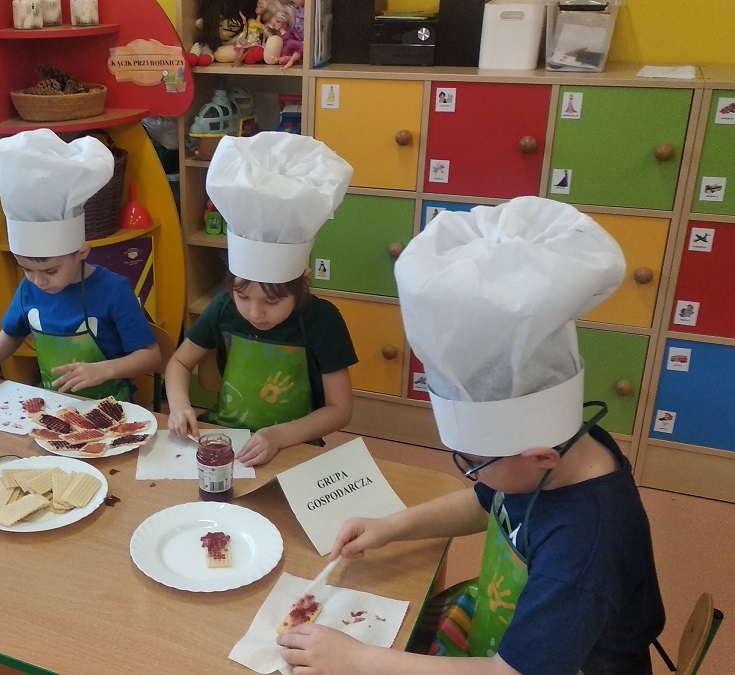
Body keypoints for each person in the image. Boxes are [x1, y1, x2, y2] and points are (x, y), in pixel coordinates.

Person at [278, 197, 665, 675]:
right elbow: (489, 502)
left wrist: (357, 660)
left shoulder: (584, 550)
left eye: (473, 462)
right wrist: (391, 527)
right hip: (510, 634)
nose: (470, 474)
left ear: (540, 456)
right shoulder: (559, 453)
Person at [165, 133, 356, 466]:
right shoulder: (224, 307)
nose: (255, 313)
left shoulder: (322, 321)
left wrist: (279, 436)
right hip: (228, 438)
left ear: (303, 283)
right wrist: (180, 405)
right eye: (243, 296)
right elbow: (178, 363)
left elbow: (340, 410)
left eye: (271, 302)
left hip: (295, 446)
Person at [0, 129, 159, 401]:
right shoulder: (29, 290)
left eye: (50, 271)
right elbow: (12, 333)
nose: (38, 281)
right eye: (26, 269)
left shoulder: (114, 291)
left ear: (82, 252)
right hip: (54, 406)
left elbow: (150, 356)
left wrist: (104, 370)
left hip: (111, 407)